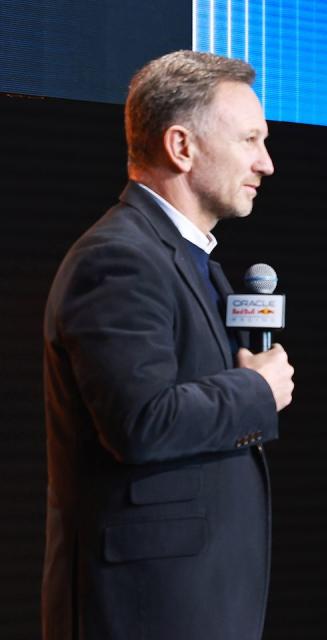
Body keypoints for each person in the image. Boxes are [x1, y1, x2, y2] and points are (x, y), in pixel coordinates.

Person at [41, 50, 294, 639]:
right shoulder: (120, 258)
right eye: (251, 140)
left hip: (193, 598)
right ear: (182, 147)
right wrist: (256, 389)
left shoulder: (186, 257)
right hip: (148, 609)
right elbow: (141, 421)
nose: (267, 163)